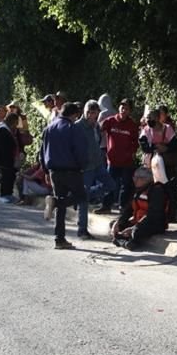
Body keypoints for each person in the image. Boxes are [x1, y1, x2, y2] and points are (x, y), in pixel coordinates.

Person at [41, 102, 88, 250]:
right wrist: (82, 166)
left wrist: (45, 170)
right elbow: (79, 150)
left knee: (60, 206)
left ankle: (59, 239)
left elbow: (42, 151)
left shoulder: (49, 128)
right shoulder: (72, 128)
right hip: (71, 170)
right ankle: (55, 202)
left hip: (54, 170)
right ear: (74, 114)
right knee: (81, 197)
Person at [75, 100, 112, 239]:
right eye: (94, 115)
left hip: (98, 165)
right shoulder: (77, 127)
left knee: (111, 185)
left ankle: (83, 195)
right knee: (83, 202)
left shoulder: (95, 126)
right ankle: (82, 230)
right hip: (86, 168)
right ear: (87, 113)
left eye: (96, 115)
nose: (95, 118)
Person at [140, 106, 177, 225]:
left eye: (151, 118)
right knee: (151, 189)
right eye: (147, 118)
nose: (148, 120)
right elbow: (144, 146)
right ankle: (151, 213)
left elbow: (176, 144)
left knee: (169, 189)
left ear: (158, 118)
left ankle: (170, 215)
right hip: (151, 164)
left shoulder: (167, 129)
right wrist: (157, 147)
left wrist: (166, 149)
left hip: (166, 164)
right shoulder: (146, 130)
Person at [112, 167, 168, 250]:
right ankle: (124, 240)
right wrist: (118, 222)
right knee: (116, 224)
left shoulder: (156, 191)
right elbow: (128, 209)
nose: (135, 180)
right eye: (134, 177)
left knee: (136, 232)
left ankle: (128, 242)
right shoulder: (138, 190)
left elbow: (152, 215)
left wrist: (134, 227)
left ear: (148, 179)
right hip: (138, 221)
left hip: (154, 223)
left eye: (139, 178)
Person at [101, 98, 140, 213]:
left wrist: (130, 153)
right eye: (122, 107)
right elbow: (98, 130)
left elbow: (136, 143)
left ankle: (122, 207)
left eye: (127, 108)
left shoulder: (132, 125)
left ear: (130, 111)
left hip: (127, 161)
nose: (124, 110)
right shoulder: (110, 121)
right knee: (109, 183)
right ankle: (106, 206)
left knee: (126, 185)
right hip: (112, 160)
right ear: (119, 108)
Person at [0, 112, 19, 202]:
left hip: (9, 159)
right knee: (6, 177)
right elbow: (2, 146)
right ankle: (4, 195)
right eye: (15, 122)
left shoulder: (8, 130)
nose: (16, 125)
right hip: (5, 159)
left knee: (10, 176)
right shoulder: (3, 130)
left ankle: (9, 193)